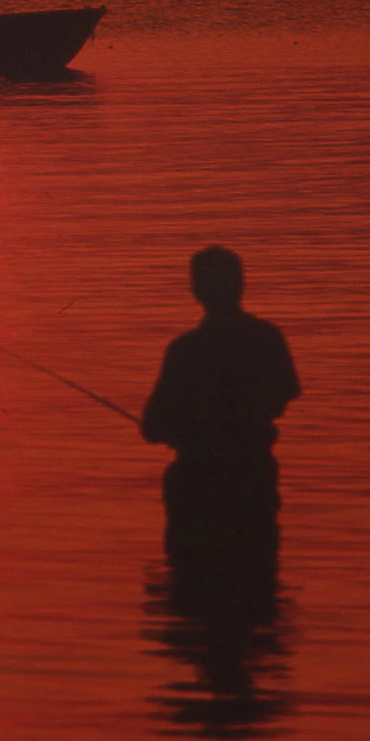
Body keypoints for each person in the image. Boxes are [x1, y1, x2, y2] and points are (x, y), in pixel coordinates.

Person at [141, 247, 300, 590]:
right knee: (257, 581)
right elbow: (286, 392)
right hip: (252, 479)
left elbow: (151, 427)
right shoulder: (267, 339)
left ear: (195, 290)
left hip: (196, 483)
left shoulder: (184, 351)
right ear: (241, 284)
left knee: (189, 583)